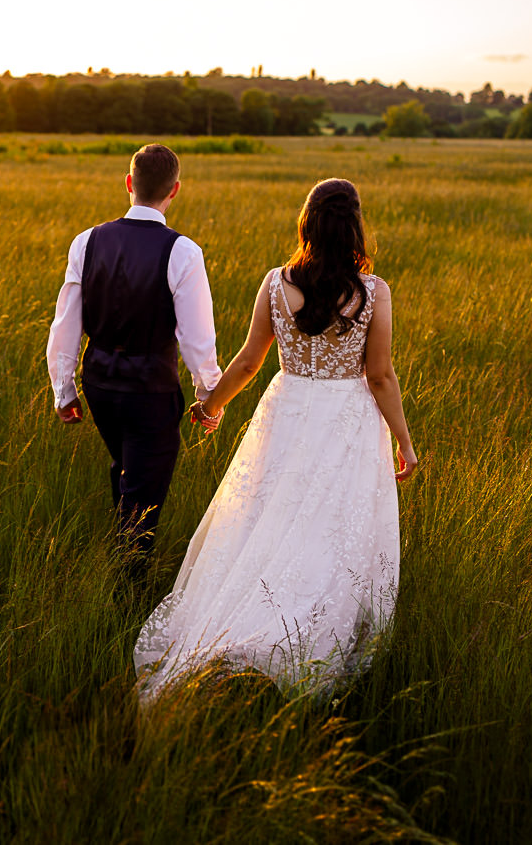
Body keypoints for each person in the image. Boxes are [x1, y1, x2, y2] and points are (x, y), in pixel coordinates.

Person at [134, 177, 417, 697]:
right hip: (347, 423)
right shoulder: (374, 292)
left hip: (286, 412)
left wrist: (211, 405)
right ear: (354, 225)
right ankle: (297, 644)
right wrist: (405, 440)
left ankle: (235, 633)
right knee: (329, 534)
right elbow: (380, 376)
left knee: (266, 522)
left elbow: (246, 363)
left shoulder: (274, 282)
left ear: (305, 223)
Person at [47, 144, 223, 578]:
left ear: (129, 184)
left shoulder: (86, 242)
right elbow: (197, 339)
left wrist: (64, 389)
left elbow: (65, 323)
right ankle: (127, 591)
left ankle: (124, 564)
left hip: (100, 383)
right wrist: (209, 397)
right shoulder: (183, 251)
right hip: (151, 389)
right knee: (144, 492)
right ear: (175, 191)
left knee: (127, 469)